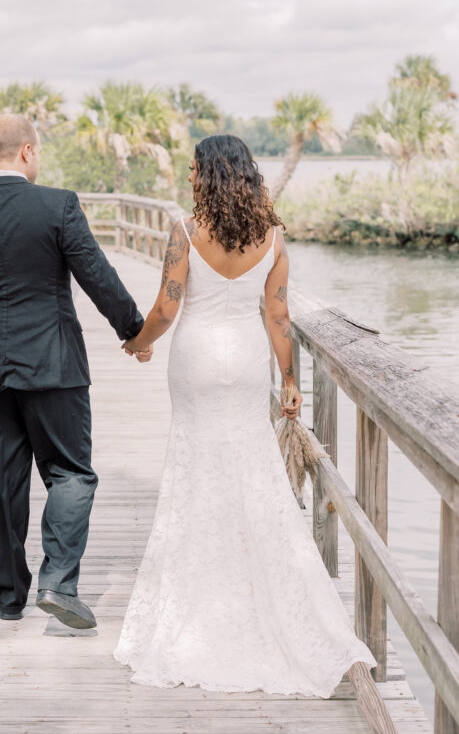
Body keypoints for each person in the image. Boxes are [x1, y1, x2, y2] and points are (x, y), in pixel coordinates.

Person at [114, 134, 377, 696]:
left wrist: (139, 342)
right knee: (252, 469)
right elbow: (277, 315)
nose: (187, 177)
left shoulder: (185, 232)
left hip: (196, 362)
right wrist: (288, 379)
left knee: (194, 470)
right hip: (249, 363)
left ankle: (196, 601)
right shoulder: (272, 236)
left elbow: (167, 306)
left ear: (209, 174)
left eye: (192, 169)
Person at [0, 114, 149, 630]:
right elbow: (97, 275)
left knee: (1, 485)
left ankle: (10, 596)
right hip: (54, 365)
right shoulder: (57, 205)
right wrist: (133, 331)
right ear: (27, 152)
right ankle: (58, 582)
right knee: (70, 472)